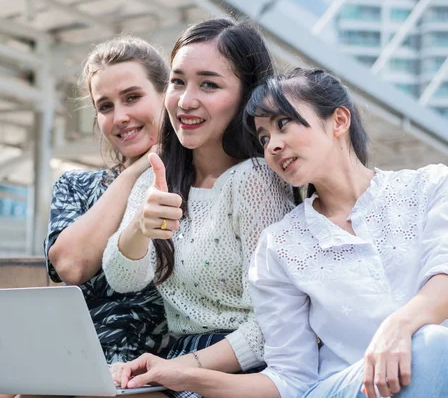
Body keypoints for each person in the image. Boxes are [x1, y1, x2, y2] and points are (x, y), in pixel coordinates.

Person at [111, 68, 448, 398]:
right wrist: (185, 376)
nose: (272, 145)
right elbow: (288, 381)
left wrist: (398, 327)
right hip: (340, 390)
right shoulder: (280, 245)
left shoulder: (430, 186)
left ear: (339, 121)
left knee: (432, 346)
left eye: (283, 124)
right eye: (264, 137)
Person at [0, 36, 172, 398]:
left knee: (15, 370)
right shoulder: (76, 185)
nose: (120, 117)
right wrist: (133, 172)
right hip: (70, 331)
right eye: (104, 106)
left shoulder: (185, 184)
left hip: (133, 343)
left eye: (133, 97)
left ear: (166, 95)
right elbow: (70, 264)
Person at [103, 18, 295, 398]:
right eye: (177, 82)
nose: (185, 100)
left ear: (247, 96)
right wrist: (141, 228)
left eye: (209, 84)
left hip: (244, 367)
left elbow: (277, 323)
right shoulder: (158, 179)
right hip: (178, 357)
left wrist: (181, 369)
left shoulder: (256, 179)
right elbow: (123, 279)